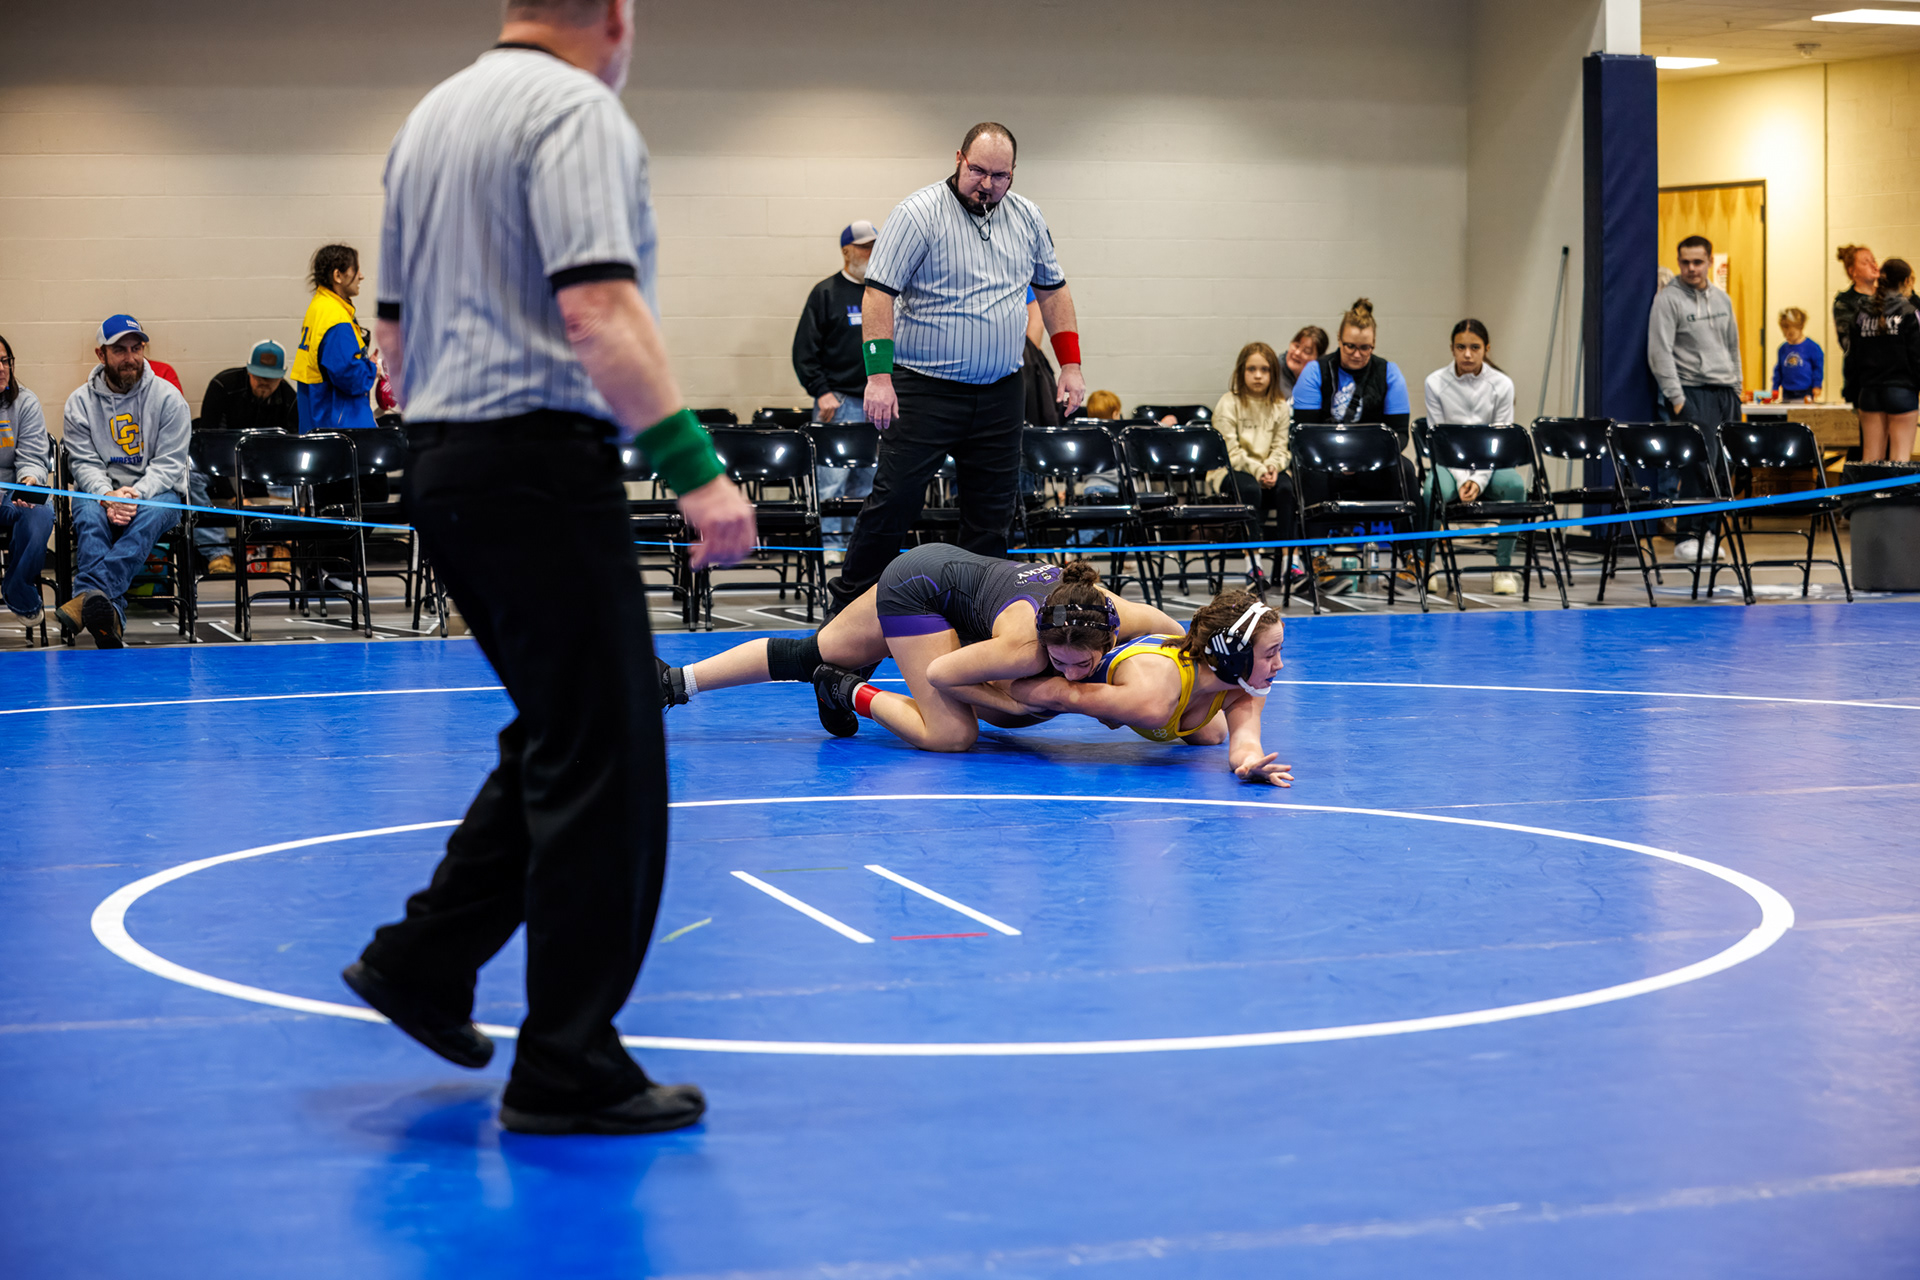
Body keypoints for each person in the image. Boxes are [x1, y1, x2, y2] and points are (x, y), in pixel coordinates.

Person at [344, 0, 757, 1139]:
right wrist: (696, 470)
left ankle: (423, 958)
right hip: (534, 458)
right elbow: (598, 309)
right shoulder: (575, 113)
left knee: (568, 732)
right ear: (616, 18)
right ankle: (567, 1060)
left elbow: (391, 337)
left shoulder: (430, 120)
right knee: (610, 757)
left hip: (444, 457)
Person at [828, 122, 1088, 614]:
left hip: (1000, 391)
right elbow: (878, 294)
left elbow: (1053, 292)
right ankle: (845, 616)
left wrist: (1070, 365)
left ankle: (979, 619)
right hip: (923, 389)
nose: (987, 184)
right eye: (978, 171)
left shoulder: (1027, 217)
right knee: (893, 504)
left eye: (1000, 176)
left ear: (1014, 173)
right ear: (958, 159)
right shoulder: (917, 214)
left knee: (992, 517)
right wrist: (878, 377)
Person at [663, 546, 1180, 753]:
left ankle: (674, 681)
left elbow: (1180, 642)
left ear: (1111, 635)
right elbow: (939, 674)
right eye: (1059, 661)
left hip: (939, 570)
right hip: (921, 587)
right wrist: (1020, 703)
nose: (1070, 674)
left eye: (1082, 663)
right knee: (956, 733)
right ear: (1044, 638)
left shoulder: (1121, 612)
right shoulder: (1026, 647)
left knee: (811, 651)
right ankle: (844, 689)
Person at [1008, 589, 1292, 786]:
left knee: (1212, 734)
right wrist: (1003, 695)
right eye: (1270, 654)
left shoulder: (1245, 686)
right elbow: (1053, 694)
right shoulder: (1153, 696)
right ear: (1233, 655)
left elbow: (1245, 743)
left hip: (1145, 667)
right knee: (1000, 707)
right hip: (1048, 675)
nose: (1279, 665)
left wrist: (1251, 763)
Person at [54, 315, 191, 648]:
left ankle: (86, 597)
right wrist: (106, 494)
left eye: (136, 348)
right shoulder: (79, 403)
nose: (130, 358)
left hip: (158, 493)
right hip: (100, 492)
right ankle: (110, 616)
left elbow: (170, 463)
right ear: (101, 355)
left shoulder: (169, 398)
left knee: (152, 515)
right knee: (88, 515)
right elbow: (84, 462)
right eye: (119, 350)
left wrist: (134, 495)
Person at [1291, 298, 1418, 593]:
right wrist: (1337, 461)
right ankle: (1317, 560)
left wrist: (1363, 461)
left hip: (1372, 466)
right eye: (1350, 346)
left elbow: (1399, 434)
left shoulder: (1388, 372)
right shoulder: (1315, 371)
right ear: (1339, 339)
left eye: (1365, 348)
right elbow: (1304, 434)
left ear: (1373, 345)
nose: (1357, 354)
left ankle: (1412, 557)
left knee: (1406, 470)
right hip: (1324, 465)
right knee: (1307, 471)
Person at [1648, 234, 1745, 564]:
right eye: (1685, 262)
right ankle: (1687, 536)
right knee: (1697, 468)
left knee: (1722, 468)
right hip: (1692, 392)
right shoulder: (1668, 300)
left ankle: (1710, 533)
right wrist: (1677, 399)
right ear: (1678, 262)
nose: (1691, 268)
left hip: (1725, 394)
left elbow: (1732, 347)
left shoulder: (1722, 299)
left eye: (1698, 262)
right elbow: (1659, 352)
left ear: (1709, 261)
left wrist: (1737, 389)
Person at [792, 221, 878, 559]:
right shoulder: (826, 293)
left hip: (876, 402)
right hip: (839, 401)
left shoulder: (880, 294)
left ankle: (857, 550)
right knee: (832, 481)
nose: (871, 253)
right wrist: (821, 390)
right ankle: (830, 546)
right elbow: (804, 351)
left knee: (868, 481)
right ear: (846, 251)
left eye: (874, 246)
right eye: (864, 247)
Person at [1422, 319, 1525, 594]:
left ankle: (1503, 568)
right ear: (1452, 349)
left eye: (1475, 347)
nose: (1467, 354)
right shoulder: (1435, 382)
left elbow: (1499, 440)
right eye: (1461, 347)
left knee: (1516, 487)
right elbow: (1439, 438)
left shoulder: (1502, 384)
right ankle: (1427, 565)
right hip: (1448, 463)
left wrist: (1478, 481)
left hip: (1491, 463)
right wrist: (1461, 479)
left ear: (1486, 348)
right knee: (1431, 491)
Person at [191, 340, 298, 575]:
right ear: (248, 370)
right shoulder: (223, 386)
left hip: (266, 467)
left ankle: (281, 544)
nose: (263, 382)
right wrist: (232, 495)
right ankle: (217, 552)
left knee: (292, 474)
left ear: (281, 377)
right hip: (222, 463)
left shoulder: (289, 399)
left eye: (270, 378)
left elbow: (288, 456)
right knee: (190, 478)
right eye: (258, 376)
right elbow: (209, 448)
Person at [1213, 341, 1297, 582]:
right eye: (1251, 369)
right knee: (1249, 489)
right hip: (1233, 470)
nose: (1258, 375)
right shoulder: (1228, 403)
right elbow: (1230, 452)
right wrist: (1259, 470)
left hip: (1269, 469)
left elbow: (1281, 448)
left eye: (1264, 369)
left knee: (1288, 488)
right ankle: (1253, 562)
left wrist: (1272, 467)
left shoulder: (1280, 406)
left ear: (1273, 373)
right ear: (1241, 371)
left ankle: (1290, 563)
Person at [292, 243, 379, 433]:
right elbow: (350, 378)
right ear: (338, 276)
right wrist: (372, 369)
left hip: (318, 423)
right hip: (341, 430)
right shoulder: (335, 318)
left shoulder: (318, 307)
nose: (361, 276)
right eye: (355, 269)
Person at [0, 333, 55, 621]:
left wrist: (29, 480)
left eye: (4, 360)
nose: (1, 368)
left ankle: (17, 588)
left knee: (41, 512)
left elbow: (33, 457)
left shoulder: (26, 402)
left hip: (12, 488)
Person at [1843, 258, 1920, 463]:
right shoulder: (1909, 312)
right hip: (1901, 392)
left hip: (1869, 393)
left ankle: (1870, 486)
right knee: (1899, 462)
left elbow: (1851, 357)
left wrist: (1852, 393)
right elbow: (1917, 357)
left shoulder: (1861, 313)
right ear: (1906, 281)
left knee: (1870, 460)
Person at [1834, 244, 1880, 359]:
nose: (1873, 265)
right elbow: (1847, 343)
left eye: (1873, 260)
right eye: (1865, 263)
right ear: (1853, 271)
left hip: (1891, 368)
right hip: (1863, 366)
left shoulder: (1888, 296)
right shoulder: (1844, 302)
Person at [1771, 308, 1823, 404]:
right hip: (1787, 392)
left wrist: (1817, 385)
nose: (1787, 336)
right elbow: (1778, 370)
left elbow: (1817, 368)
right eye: (1785, 334)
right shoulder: (1782, 349)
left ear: (1801, 328)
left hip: (1806, 391)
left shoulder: (1812, 347)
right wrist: (1775, 388)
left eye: (1791, 334)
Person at [1277, 326, 1329, 400]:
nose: (1297, 353)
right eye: (1296, 346)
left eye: (1307, 351)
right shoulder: (1273, 369)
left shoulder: (1324, 379)